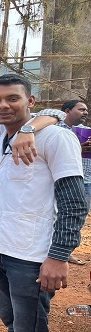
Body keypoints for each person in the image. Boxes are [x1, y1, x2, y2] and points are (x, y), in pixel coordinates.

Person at [0, 74, 86, 332]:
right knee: (15, 328)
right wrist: (27, 129)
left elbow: (74, 204)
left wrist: (59, 255)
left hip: (30, 257)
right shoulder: (4, 140)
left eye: (12, 98)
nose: (3, 105)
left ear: (30, 101)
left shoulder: (55, 138)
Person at [58, 99, 90, 265]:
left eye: (86, 110)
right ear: (67, 111)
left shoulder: (87, 131)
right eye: (81, 109)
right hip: (62, 179)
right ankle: (54, 251)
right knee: (58, 215)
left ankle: (66, 252)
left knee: (78, 217)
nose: (85, 112)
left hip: (86, 179)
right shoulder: (56, 129)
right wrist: (78, 148)